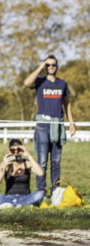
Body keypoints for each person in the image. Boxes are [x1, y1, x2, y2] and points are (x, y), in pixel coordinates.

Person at [23, 55, 77, 195]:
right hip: (43, 127)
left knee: (56, 161)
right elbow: (27, 83)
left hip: (57, 126)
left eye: (53, 65)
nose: (51, 67)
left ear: (57, 66)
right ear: (45, 67)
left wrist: (71, 122)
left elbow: (67, 103)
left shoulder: (62, 84)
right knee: (42, 162)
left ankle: (56, 189)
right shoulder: (39, 81)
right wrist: (40, 67)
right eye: (48, 65)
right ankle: (41, 190)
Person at [0, 139, 46, 208]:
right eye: (13, 150)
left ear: (21, 150)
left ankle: (10, 205)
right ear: (9, 151)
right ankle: (20, 205)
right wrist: (4, 166)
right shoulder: (6, 164)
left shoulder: (27, 163)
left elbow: (41, 173)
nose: (16, 153)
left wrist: (29, 155)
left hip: (24, 197)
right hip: (8, 197)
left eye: (18, 150)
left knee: (40, 194)